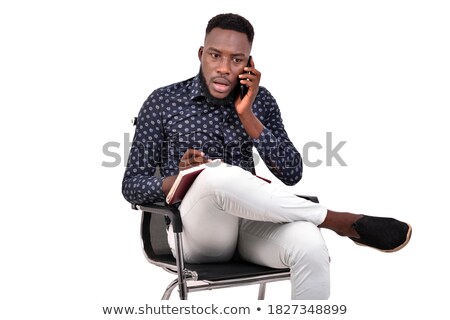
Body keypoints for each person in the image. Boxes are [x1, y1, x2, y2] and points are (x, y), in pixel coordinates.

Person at [122, 13, 412, 299]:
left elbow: (291, 172)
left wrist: (248, 116)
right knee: (215, 174)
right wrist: (179, 179)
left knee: (309, 244)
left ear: (248, 63)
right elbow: (131, 184)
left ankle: (320, 227)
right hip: (197, 232)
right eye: (215, 55)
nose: (224, 68)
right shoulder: (162, 101)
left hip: (250, 223)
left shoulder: (261, 101)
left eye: (236, 59)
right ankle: (339, 221)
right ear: (201, 54)